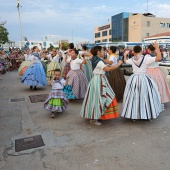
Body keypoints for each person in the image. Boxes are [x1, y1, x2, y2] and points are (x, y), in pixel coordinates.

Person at [80, 46, 123, 126]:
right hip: (99, 80)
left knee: (97, 98)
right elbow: (107, 69)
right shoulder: (98, 61)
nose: (104, 52)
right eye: (103, 50)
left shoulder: (96, 59)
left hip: (98, 79)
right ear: (98, 52)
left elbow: (106, 64)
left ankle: (96, 115)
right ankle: (94, 118)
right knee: (99, 99)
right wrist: (118, 64)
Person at [121, 43, 164, 121]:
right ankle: (147, 113)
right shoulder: (145, 59)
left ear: (134, 51)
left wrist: (125, 55)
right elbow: (159, 58)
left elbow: (125, 61)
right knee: (146, 96)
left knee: (133, 97)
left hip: (134, 79)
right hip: (144, 78)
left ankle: (133, 114)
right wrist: (157, 48)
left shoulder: (132, 59)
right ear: (141, 50)